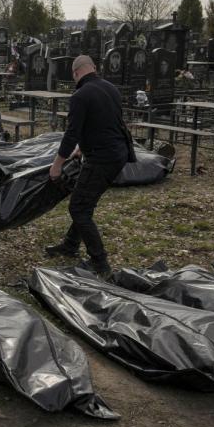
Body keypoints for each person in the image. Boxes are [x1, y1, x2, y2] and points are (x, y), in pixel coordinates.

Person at [45, 55, 136, 278]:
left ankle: (100, 261)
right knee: (85, 199)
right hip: (119, 153)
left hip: (103, 158)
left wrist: (57, 165)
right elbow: (103, 122)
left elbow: (72, 133)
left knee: (78, 207)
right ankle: (70, 244)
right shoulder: (110, 88)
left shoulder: (80, 95)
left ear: (75, 73)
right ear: (93, 68)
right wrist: (82, 149)